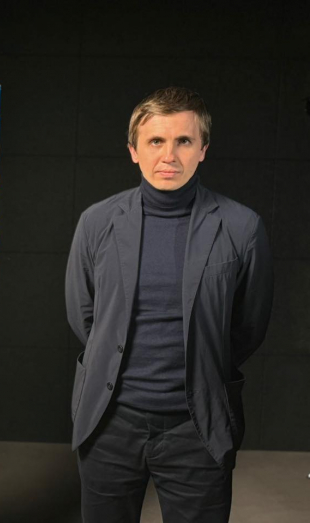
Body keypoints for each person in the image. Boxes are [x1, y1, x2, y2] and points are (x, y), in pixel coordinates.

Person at [66, 86, 273, 522]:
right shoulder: (97, 222)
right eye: (156, 141)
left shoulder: (242, 227)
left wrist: (205, 363)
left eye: (184, 141)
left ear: (203, 150)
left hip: (198, 427)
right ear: (133, 151)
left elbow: (248, 326)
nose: (169, 155)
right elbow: (84, 316)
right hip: (109, 422)